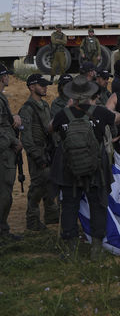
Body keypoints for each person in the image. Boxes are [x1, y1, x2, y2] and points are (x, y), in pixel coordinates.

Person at [50, 76, 117, 260]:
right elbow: (118, 119)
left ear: (72, 95)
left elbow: (51, 128)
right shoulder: (101, 112)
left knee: (69, 207)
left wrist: (67, 109)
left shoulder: (63, 114)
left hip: (68, 170)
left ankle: (71, 249)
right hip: (96, 170)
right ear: (90, 94)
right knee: (98, 206)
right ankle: (96, 249)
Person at [19, 73, 57, 231]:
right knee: (37, 187)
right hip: (38, 152)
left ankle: (51, 216)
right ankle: (33, 221)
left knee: (49, 185)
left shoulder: (45, 105)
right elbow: (26, 138)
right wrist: (37, 156)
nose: (45, 87)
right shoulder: (27, 109)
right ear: (32, 87)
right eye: (42, 85)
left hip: (47, 151)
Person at [0, 64, 23, 243]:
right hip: (3, 151)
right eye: (6, 75)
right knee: (4, 193)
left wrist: (13, 116)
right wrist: (15, 142)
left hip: (6, 148)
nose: (8, 77)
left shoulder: (2, 98)